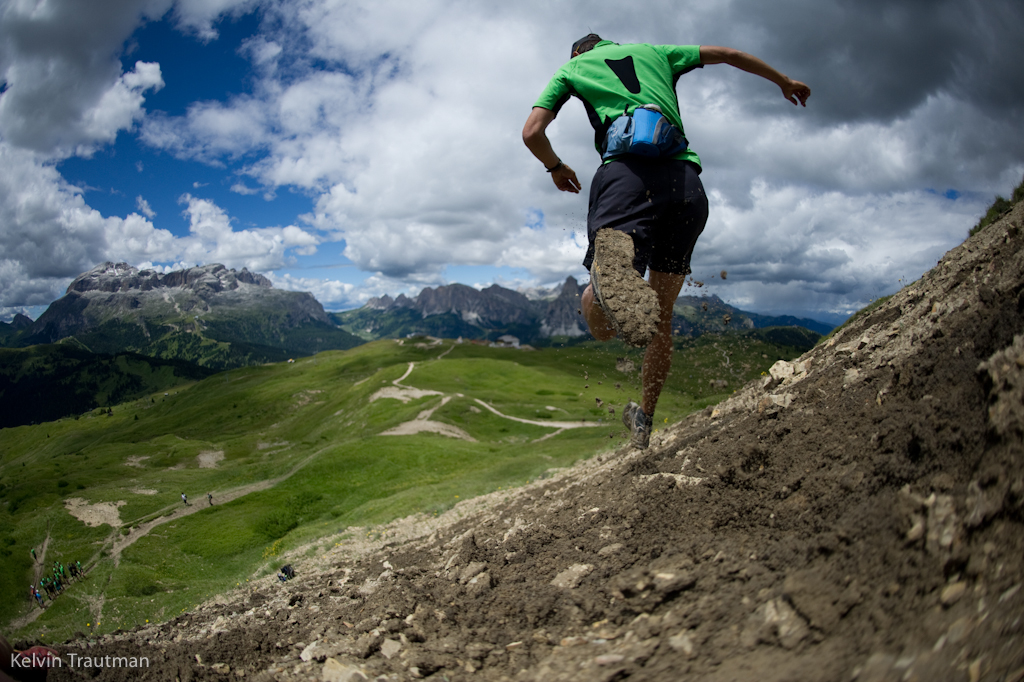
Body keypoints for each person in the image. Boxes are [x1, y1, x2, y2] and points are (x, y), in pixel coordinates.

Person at [523, 34, 810, 448]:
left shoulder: (572, 69)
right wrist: (783, 81)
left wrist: (554, 166)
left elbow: (532, 131)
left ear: (577, 54)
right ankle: (645, 419)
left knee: (600, 315)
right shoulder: (657, 53)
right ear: (609, 43)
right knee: (661, 317)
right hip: (687, 187)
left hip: (625, 178)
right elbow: (728, 54)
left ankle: (608, 280)